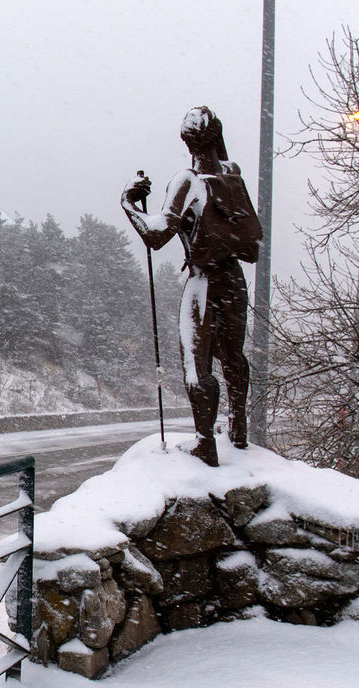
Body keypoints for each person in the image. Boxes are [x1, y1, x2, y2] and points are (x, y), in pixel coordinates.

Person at [120, 106, 262, 467]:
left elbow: (156, 235)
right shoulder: (233, 176)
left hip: (203, 280)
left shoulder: (188, 180)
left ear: (187, 142)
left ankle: (204, 442)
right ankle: (238, 426)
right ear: (218, 136)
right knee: (233, 355)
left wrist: (128, 203)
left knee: (197, 366)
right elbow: (252, 247)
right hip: (234, 281)